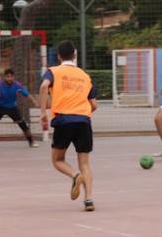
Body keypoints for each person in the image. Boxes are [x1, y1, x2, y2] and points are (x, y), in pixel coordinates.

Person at [39, 40, 98, 211]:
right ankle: (89, 200)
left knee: (57, 160)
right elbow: (94, 105)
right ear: (75, 55)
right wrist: (83, 111)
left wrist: (43, 112)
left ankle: (75, 175)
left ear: (58, 56)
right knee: (85, 163)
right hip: (83, 121)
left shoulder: (53, 72)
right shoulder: (85, 76)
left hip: (63, 120)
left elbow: (44, 87)